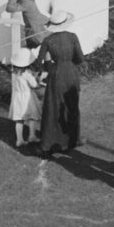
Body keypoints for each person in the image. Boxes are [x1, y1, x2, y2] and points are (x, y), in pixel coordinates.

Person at [37, 9, 85, 156]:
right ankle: (72, 140)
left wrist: (48, 65)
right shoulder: (72, 37)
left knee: (53, 107)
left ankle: (49, 143)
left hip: (56, 74)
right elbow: (80, 59)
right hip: (71, 73)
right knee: (72, 106)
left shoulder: (48, 41)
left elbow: (39, 63)